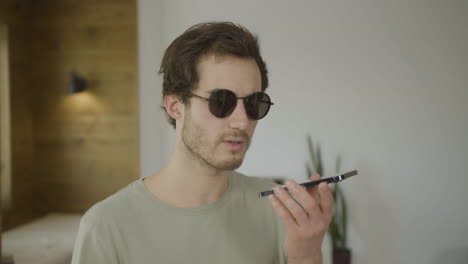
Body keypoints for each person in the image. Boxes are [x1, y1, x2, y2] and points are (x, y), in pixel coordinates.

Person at [71, 22, 333, 264]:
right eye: (221, 101)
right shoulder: (105, 226)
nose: (241, 122)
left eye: (254, 103)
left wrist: (307, 257)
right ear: (176, 106)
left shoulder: (281, 213)